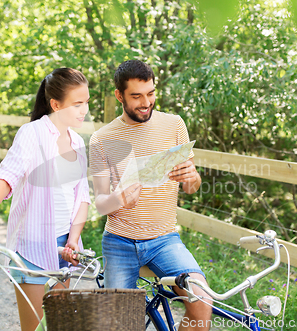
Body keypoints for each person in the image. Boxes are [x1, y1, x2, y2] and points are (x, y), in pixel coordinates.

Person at [0, 68, 91, 331]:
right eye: (77, 104)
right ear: (55, 104)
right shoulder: (32, 133)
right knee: (35, 328)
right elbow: (5, 178)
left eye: (86, 102)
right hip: (32, 245)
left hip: (65, 246)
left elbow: (82, 198)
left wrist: (74, 239)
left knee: (58, 326)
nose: (84, 110)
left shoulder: (77, 142)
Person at [89, 60, 212, 331]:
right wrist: (118, 199)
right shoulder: (101, 139)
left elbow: (191, 187)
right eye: (136, 96)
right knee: (121, 325)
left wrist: (193, 177)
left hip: (165, 240)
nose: (146, 103)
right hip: (119, 241)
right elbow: (100, 202)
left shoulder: (174, 125)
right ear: (119, 95)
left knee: (202, 301)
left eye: (151, 93)